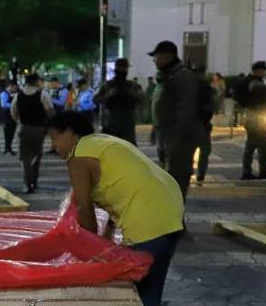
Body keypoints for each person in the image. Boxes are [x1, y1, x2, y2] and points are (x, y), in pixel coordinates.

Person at [49, 110, 186, 306]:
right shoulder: (103, 142)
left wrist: (90, 250)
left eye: (54, 138)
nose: (54, 146)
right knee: (151, 292)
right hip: (171, 210)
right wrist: (107, 237)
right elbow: (119, 189)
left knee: (141, 299)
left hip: (148, 221)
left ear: (70, 133)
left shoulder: (78, 157)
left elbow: (84, 209)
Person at [150, 40, 203, 197]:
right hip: (166, 137)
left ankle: (176, 212)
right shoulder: (167, 76)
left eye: (156, 56)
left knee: (176, 181)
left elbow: (186, 109)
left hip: (179, 140)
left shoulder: (183, 76)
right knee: (167, 181)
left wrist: (176, 139)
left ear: (167, 56)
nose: (154, 60)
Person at [11, 72, 55, 193]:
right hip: (39, 129)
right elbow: (50, 111)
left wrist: (19, 121)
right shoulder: (43, 94)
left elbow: (13, 111)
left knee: (24, 157)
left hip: (24, 128)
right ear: (36, 81)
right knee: (37, 154)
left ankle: (27, 182)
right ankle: (34, 179)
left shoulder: (18, 95)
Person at [239, 61, 266, 180]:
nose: (265, 72)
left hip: (253, 117)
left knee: (253, 145)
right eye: (263, 70)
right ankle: (257, 171)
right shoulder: (255, 83)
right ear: (258, 71)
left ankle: (249, 171)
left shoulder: (252, 81)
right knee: (262, 145)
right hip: (257, 118)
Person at [94, 59, 142, 144]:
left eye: (124, 68)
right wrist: (108, 95)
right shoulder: (108, 85)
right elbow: (95, 99)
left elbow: (142, 100)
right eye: (120, 68)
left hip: (126, 121)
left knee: (126, 146)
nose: (122, 70)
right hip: (112, 120)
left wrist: (133, 94)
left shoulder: (132, 85)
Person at [191, 65, 221, 186]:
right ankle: (200, 175)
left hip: (191, 124)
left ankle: (188, 173)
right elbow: (213, 105)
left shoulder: (189, 87)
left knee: (190, 151)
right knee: (204, 152)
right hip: (202, 124)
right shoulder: (206, 88)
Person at [0, 80, 19, 155]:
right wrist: (14, 105)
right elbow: (4, 104)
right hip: (6, 115)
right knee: (7, 131)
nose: (15, 89)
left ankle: (9, 147)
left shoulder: (12, 93)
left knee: (12, 131)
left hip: (13, 115)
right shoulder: (4, 93)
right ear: (10, 86)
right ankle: (7, 148)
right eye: (15, 87)